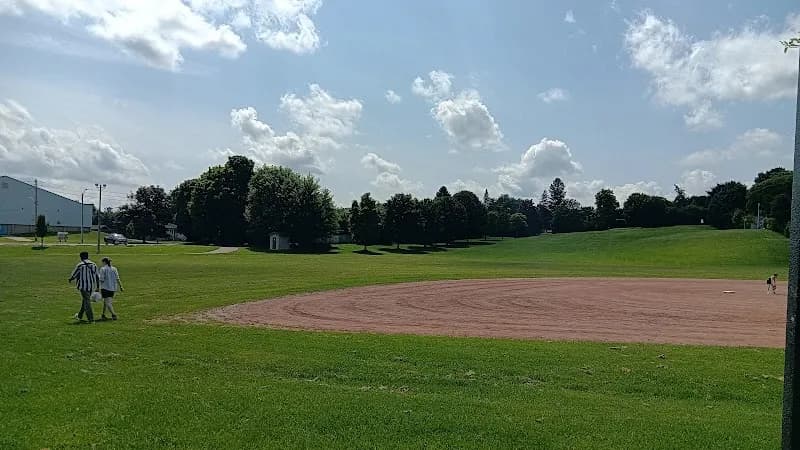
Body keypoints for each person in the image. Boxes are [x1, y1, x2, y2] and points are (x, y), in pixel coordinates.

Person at [69, 251, 100, 323]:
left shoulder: (80, 265)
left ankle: (91, 319)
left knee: (87, 301)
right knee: (85, 300)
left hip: (83, 287)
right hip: (91, 286)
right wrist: (98, 287)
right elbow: (97, 277)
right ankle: (79, 316)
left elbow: (74, 275)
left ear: (81, 257)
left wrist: (70, 279)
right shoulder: (94, 264)